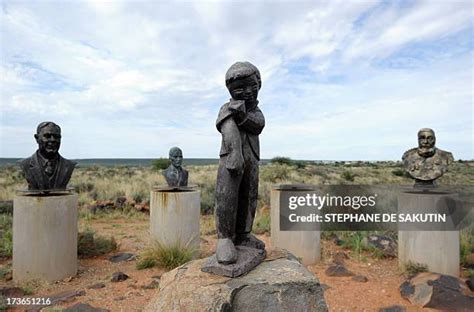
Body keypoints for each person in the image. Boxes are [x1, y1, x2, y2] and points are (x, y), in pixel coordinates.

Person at [214, 61, 266, 264]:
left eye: (251, 86)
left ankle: (244, 234)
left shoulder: (256, 111)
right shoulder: (227, 108)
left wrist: (243, 115)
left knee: (249, 195)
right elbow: (226, 127)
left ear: (259, 84)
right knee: (227, 197)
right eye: (239, 89)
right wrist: (235, 153)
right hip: (231, 158)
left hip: (252, 157)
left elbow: (258, 125)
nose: (247, 92)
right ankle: (225, 239)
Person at [19, 122, 76, 190]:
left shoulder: (69, 165)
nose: (52, 140)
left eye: (56, 137)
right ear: (37, 138)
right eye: (47, 136)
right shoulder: (25, 164)